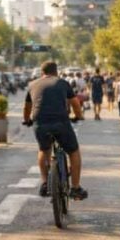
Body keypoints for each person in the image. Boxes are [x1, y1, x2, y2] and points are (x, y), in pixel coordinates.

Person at [23, 61, 88, 201]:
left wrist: (27, 120)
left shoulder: (32, 84)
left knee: (43, 149)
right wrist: (78, 116)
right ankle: (75, 188)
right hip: (61, 123)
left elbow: (27, 107)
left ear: (42, 72)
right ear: (56, 72)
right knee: (73, 151)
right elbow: (75, 103)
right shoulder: (62, 83)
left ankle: (45, 183)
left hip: (40, 123)